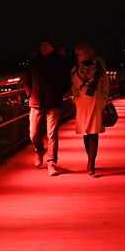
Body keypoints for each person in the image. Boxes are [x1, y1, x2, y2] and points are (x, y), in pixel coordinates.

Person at [24, 40, 70, 176]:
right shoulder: (34, 62)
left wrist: (57, 94)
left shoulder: (60, 63)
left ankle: (52, 163)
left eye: (47, 45)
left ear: (53, 48)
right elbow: (26, 80)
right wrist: (30, 93)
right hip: (36, 101)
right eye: (42, 45)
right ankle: (39, 150)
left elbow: (67, 82)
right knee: (33, 133)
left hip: (54, 103)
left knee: (52, 135)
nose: (43, 48)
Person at [70, 43, 109, 177]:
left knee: (93, 132)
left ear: (88, 54)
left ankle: (91, 163)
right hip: (82, 104)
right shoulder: (76, 70)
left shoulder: (99, 68)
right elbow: (74, 86)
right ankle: (90, 158)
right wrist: (75, 99)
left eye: (80, 54)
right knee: (86, 132)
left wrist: (104, 97)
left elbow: (106, 84)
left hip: (96, 102)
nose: (78, 57)